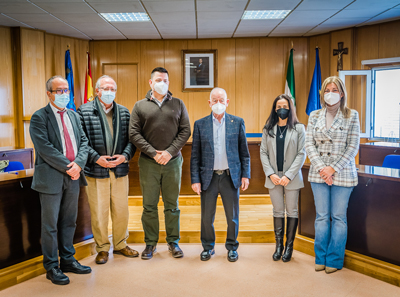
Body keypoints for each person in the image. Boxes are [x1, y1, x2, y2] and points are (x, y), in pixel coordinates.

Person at [29, 76, 91, 285]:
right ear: (49, 93)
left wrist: (79, 164)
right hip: (51, 179)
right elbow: (45, 149)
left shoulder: (74, 116)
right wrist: (69, 166)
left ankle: (67, 259)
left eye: (67, 90)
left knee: (69, 221)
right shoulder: (39, 117)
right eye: (59, 91)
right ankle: (51, 266)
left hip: (73, 177)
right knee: (50, 225)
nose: (65, 94)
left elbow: (84, 142)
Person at [130, 67, 191, 260]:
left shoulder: (178, 104)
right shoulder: (139, 106)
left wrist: (169, 152)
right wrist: (153, 153)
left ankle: (173, 242)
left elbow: (185, 131)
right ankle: (150, 243)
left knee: (172, 205)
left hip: (172, 162)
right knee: (149, 205)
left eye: (165, 80)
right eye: (158, 79)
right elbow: (133, 133)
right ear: (150, 82)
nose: (162, 83)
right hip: (149, 163)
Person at [77, 75, 137, 265]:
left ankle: (120, 244)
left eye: (112, 89)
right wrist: (97, 159)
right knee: (99, 211)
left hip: (119, 170)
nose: (109, 92)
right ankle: (102, 248)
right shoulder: (83, 111)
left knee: (121, 210)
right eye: (105, 88)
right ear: (97, 91)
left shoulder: (125, 112)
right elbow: (81, 141)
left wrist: (125, 156)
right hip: (96, 171)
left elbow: (132, 140)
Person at [305, 76, 360, 274]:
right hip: (319, 174)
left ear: (342, 93)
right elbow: (309, 144)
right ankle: (320, 257)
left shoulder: (351, 115)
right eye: (327, 89)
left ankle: (334, 260)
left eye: (334, 90)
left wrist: (333, 169)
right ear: (322, 93)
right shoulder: (313, 115)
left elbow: (353, 147)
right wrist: (323, 169)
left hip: (343, 174)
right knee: (321, 217)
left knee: (338, 217)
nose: (330, 93)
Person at [190, 87, 251, 262]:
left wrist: (245, 175)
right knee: (206, 216)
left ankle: (232, 246)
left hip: (229, 177)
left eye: (221, 100)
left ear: (227, 102)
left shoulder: (237, 122)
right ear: (209, 103)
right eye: (215, 100)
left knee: (232, 216)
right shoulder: (200, 124)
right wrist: (195, 179)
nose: (218, 104)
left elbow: (244, 153)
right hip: (207, 177)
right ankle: (208, 247)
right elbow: (195, 155)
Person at [260, 94, 306, 262]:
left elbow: (302, 153)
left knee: (292, 211)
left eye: (285, 106)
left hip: (291, 177)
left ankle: (289, 247)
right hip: (273, 178)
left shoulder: (299, 128)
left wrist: (288, 175)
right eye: (278, 106)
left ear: (290, 108)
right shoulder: (268, 129)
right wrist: (271, 173)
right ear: (274, 109)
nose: (282, 109)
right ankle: (278, 246)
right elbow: (263, 153)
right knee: (278, 211)